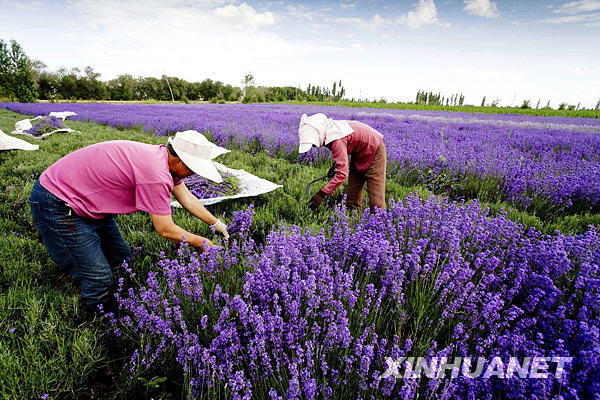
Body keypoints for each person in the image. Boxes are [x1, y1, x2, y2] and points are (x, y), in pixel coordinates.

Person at [29, 131, 230, 314]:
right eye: (192, 168)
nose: (194, 174)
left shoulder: (163, 159)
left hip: (86, 199)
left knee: (123, 259)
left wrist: (215, 223)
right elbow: (165, 229)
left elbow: (186, 197)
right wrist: (204, 243)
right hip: (57, 201)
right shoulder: (155, 174)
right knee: (99, 279)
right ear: (180, 159)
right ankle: (95, 321)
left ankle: (119, 299)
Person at [298, 113, 386, 211]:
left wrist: (321, 194)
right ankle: (353, 221)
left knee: (376, 201)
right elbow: (343, 152)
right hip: (358, 154)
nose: (315, 147)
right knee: (352, 197)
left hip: (374, 149)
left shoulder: (336, 139)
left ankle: (381, 223)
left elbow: (342, 174)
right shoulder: (329, 131)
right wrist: (335, 166)